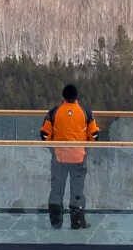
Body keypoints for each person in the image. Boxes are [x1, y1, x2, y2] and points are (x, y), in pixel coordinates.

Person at [41, 82, 100, 230]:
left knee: (56, 190)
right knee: (77, 191)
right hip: (78, 158)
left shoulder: (54, 112)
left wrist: (52, 149)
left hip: (59, 157)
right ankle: (77, 222)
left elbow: (44, 134)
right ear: (76, 96)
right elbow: (94, 135)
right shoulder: (85, 112)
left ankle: (56, 222)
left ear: (63, 96)